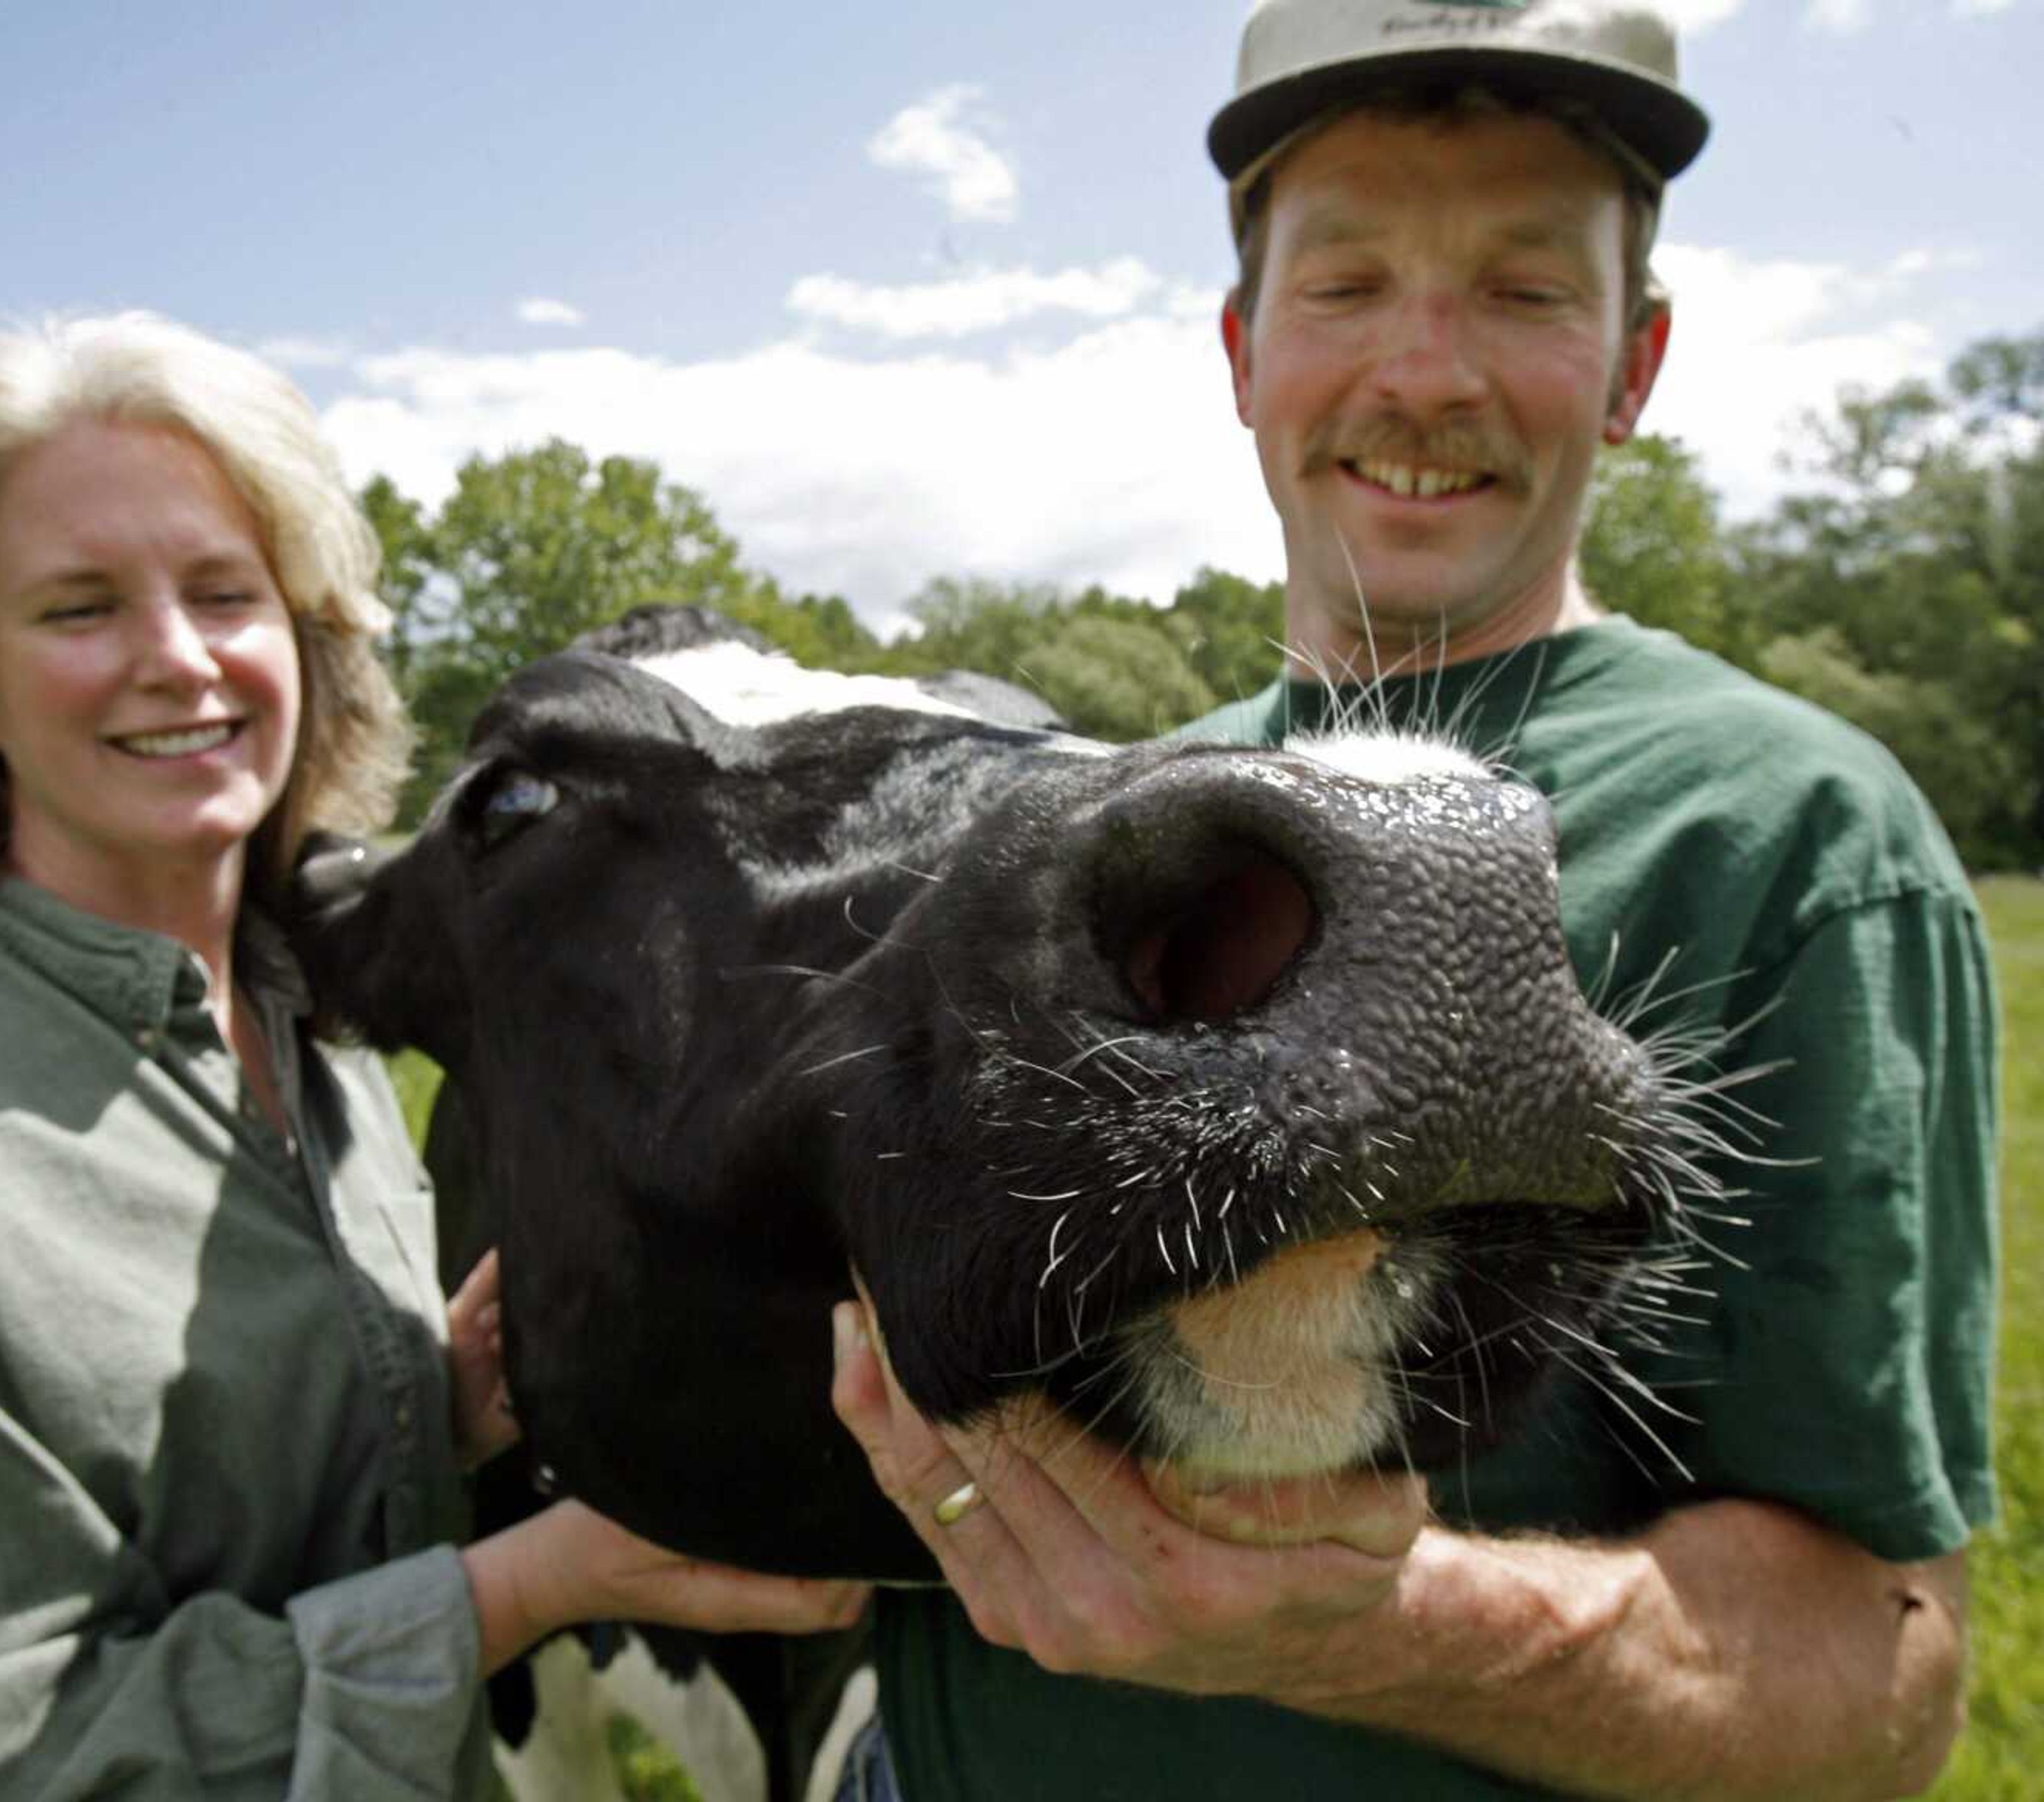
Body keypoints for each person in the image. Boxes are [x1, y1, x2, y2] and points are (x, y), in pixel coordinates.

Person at [830, 2, 1999, 1797]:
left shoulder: (1796, 833)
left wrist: (1362, 1623)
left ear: (1634, 364)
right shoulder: (1100, 822)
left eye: (1527, 291)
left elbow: (1884, 1685)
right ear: (1242, 350)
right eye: (1348, 282)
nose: (1427, 371)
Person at [0, 311, 866, 1799]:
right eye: (79, 610)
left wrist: (432, 1416)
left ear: (299, 642)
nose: (175, 659)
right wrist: (529, 1586)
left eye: (226, 594)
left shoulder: (313, 1039)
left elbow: (228, 1519)